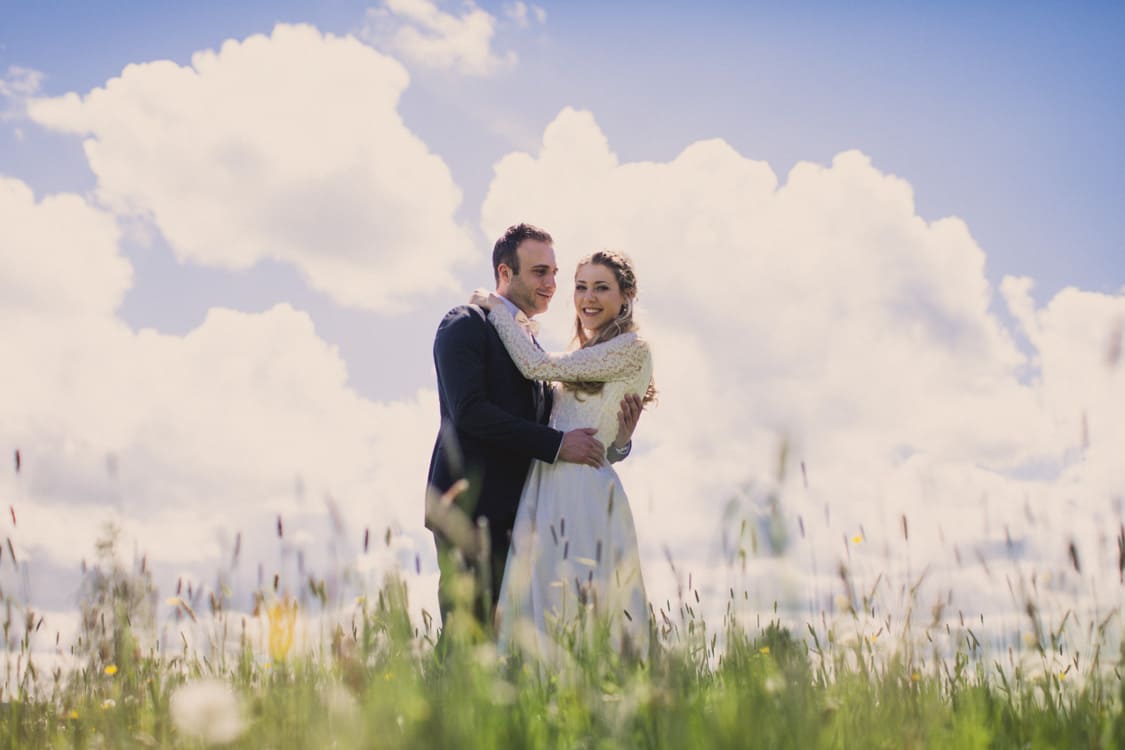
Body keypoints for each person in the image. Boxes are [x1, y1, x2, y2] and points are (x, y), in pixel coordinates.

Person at [425, 224, 642, 644]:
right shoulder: (466, 323)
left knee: (516, 649)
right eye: (540, 272)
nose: (552, 285)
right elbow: (470, 412)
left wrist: (618, 443)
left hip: (529, 517)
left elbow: (560, 427)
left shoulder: (536, 349)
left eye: (555, 273)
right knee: (466, 643)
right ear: (505, 273)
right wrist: (559, 446)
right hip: (471, 508)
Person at [470, 249, 655, 659]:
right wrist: (620, 442)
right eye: (581, 287)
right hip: (548, 483)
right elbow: (592, 428)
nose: (588, 297)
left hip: (581, 489)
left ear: (626, 296)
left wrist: (494, 305)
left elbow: (535, 365)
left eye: (601, 288)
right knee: (539, 606)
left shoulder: (634, 348)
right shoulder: (587, 351)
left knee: (578, 602)